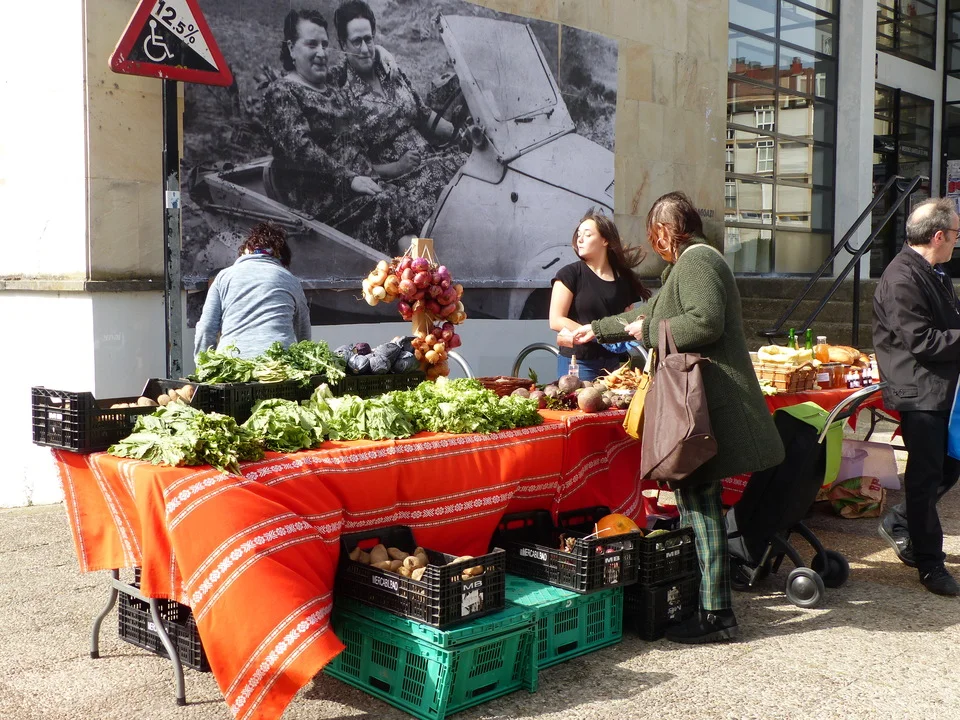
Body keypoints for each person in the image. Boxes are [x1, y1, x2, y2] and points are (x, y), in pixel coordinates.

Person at [573, 192, 784, 643]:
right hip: (703, 403)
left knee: (700, 504)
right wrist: (597, 329)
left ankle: (716, 614)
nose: (655, 245)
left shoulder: (698, 261)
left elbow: (705, 322)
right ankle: (703, 602)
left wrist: (649, 331)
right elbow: (649, 312)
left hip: (709, 405)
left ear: (667, 231)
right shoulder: (686, 265)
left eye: (655, 236)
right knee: (695, 503)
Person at [260, 8, 416, 255]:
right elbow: (300, 151)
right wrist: (348, 179)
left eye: (325, 44)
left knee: (413, 204)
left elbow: (357, 56)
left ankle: (429, 272)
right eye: (312, 44)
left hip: (362, 188)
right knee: (388, 207)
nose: (321, 53)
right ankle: (423, 275)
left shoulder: (329, 83)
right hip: (323, 206)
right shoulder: (282, 93)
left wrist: (380, 51)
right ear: (291, 48)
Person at [873, 197, 960, 596]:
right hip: (918, 392)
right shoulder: (901, 277)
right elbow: (922, 341)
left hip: (940, 389)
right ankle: (930, 564)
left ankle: (901, 520)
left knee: (948, 467)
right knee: (925, 478)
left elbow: (944, 323)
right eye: (956, 233)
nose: (957, 240)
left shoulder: (933, 270)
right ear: (938, 236)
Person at [333, 0, 466, 232]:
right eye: (356, 41)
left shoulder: (389, 70)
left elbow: (423, 114)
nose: (364, 49)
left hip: (432, 161)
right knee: (440, 223)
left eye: (368, 39)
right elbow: (354, 166)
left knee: (473, 179)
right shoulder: (342, 93)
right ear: (343, 44)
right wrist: (397, 167)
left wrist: (461, 136)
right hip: (399, 184)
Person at [551, 210, 650, 381]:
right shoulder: (569, 274)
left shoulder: (623, 279)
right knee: (580, 398)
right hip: (578, 361)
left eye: (587, 235)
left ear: (605, 240)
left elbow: (628, 318)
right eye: (578, 235)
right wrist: (596, 334)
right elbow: (556, 320)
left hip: (614, 363)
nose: (580, 239)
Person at [194, 222, 312, 360]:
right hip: (279, 363)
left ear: (244, 252)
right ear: (282, 259)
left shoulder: (224, 277)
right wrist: (307, 362)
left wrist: (203, 365)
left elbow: (206, 328)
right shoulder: (290, 280)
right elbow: (303, 330)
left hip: (233, 363)